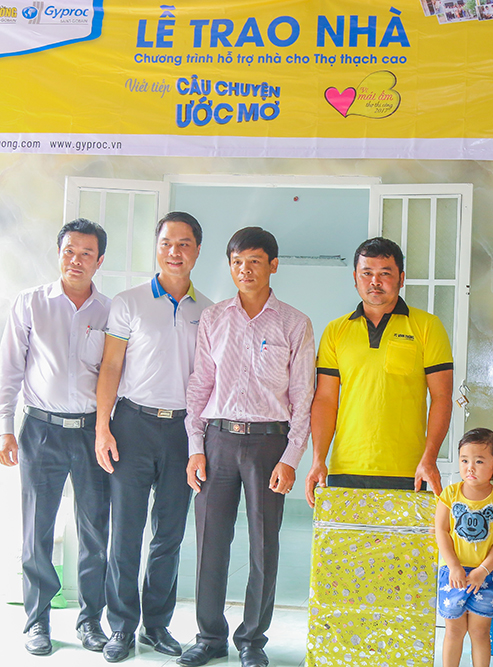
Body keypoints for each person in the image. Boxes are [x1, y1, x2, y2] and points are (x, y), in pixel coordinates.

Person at [179, 228, 316, 667]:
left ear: (273, 265)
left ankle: (253, 640)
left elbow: (303, 397)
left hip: (268, 444)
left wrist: (291, 458)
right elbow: (200, 384)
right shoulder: (214, 318)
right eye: (237, 262)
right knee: (210, 543)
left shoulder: (294, 323)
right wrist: (195, 446)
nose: (245, 270)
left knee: (263, 545)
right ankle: (209, 637)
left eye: (254, 261)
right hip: (217, 440)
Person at [95, 212, 212, 663]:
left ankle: (156, 625)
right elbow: (110, 366)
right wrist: (103, 427)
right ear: (156, 247)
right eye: (166, 243)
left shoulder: (209, 311)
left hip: (183, 431)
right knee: (125, 531)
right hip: (132, 425)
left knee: (169, 534)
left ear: (197, 250)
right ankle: (122, 626)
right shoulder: (128, 302)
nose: (174, 252)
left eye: (184, 244)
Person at [0, 219, 112, 656]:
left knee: (95, 531)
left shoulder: (110, 312)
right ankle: (37, 621)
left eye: (86, 254)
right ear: (59, 253)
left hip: (91, 433)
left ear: (100, 260)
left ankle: (90, 621)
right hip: (40, 431)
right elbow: (9, 368)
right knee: (37, 530)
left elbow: (115, 375)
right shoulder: (30, 303)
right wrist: (5, 428)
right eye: (69, 251)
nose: (76, 260)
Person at [303, 237, 454, 503]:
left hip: (409, 471)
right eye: (367, 273)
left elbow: (442, 397)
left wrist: (429, 459)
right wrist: (318, 460)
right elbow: (325, 400)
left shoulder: (427, 327)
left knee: (409, 535)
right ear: (355, 278)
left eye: (385, 273)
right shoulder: (336, 331)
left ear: (401, 278)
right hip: (345, 469)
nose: (375, 281)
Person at [436, 428, 493, 667]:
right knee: (454, 630)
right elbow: (441, 531)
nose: (470, 467)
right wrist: (454, 566)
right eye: (464, 460)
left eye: (479, 461)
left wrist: (482, 570)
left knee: (480, 632)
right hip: (453, 574)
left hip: (487, 576)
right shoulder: (449, 494)